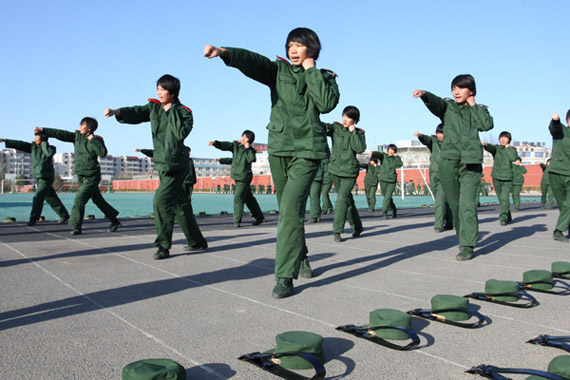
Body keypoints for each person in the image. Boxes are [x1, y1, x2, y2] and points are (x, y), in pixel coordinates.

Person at [203, 27, 340, 298]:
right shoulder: (278, 71)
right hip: (279, 149)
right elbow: (254, 63)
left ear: (311, 48)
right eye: (290, 44)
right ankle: (300, 257)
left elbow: (325, 104)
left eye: (299, 45)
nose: (293, 49)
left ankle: (284, 276)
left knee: (289, 210)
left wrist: (312, 70)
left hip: (308, 152)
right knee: (288, 209)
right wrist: (224, 53)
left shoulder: (325, 78)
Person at [104, 74, 207, 259]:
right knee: (180, 205)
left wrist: (171, 110)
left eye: (163, 89)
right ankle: (197, 241)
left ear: (173, 92)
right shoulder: (154, 107)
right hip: (163, 164)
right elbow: (137, 112)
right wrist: (117, 112)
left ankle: (163, 246)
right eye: (158, 89)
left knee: (161, 201)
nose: (159, 92)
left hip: (177, 165)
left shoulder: (185, 113)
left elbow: (179, 133)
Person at [413, 74, 494, 260]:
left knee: (467, 204)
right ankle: (463, 233)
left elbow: (486, 125)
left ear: (471, 91)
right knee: (456, 204)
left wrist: (473, 105)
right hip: (448, 161)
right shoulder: (448, 107)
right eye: (453, 88)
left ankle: (467, 244)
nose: (456, 91)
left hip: (470, 163)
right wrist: (425, 95)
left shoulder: (479, 110)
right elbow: (436, 105)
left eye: (460, 88)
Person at [34, 118, 121, 235]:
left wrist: (92, 140)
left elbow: (102, 153)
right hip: (81, 175)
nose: (80, 127)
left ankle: (76, 226)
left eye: (82, 125)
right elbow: (61, 134)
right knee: (98, 200)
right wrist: (44, 130)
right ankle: (115, 221)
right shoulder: (77, 137)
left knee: (79, 199)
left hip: (92, 176)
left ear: (89, 128)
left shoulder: (97, 140)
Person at [0, 132, 69, 225]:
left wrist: (44, 143)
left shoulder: (51, 148)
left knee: (38, 196)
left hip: (46, 178)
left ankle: (33, 218)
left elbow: (48, 154)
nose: (35, 138)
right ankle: (64, 215)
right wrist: (6, 140)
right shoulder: (33, 148)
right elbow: (21, 144)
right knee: (51, 198)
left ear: (42, 138)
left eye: (37, 136)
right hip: (38, 177)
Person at [323, 106, 366, 242]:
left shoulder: (359, 133)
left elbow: (359, 148)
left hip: (349, 172)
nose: (344, 119)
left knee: (341, 200)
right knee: (347, 200)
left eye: (348, 117)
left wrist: (353, 132)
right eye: (343, 116)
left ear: (354, 120)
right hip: (335, 169)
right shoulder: (336, 128)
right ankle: (357, 227)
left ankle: (337, 230)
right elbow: (322, 127)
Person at [209, 130, 265, 227]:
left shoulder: (251, 150)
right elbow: (227, 147)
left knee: (238, 198)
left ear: (247, 139)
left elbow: (252, 159)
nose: (241, 138)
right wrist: (216, 144)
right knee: (249, 199)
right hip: (237, 176)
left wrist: (248, 148)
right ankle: (260, 217)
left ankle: (237, 221)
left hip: (244, 178)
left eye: (243, 137)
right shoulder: (236, 147)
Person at [414, 124, 453, 232]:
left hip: (445, 174)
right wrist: (420, 136)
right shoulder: (434, 141)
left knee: (440, 200)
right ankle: (450, 221)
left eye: (442, 133)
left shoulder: (451, 143)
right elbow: (427, 139)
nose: (440, 135)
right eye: (438, 133)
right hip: (433, 173)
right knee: (440, 200)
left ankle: (438, 225)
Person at [483, 131, 518, 225]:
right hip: (496, 176)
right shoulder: (497, 149)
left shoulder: (512, 150)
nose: (503, 139)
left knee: (504, 198)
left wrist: (508, 148)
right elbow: (491, 148)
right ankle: (508, 215)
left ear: (509, 139)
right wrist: (486, 145)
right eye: (501, 137)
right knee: (501, 198)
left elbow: (513, 158)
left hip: (507, 178)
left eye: (505, 138)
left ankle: (503, 217)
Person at [547, 111, 570, 242]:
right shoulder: (562, 131)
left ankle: (559, 230)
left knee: (569, 204)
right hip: (557, 172)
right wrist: (555, 121)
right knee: (563, 205)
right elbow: (554, 129)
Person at [370, 144, 403, 219]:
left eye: (393, 150)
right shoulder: (384, 156)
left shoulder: (395, 159)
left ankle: (384, 213)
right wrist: (373, 153)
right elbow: (379, 155)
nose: (391, 151)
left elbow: (400, 164)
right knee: (387, 197)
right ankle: (393, 210)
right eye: (390, 149)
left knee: (387, 197)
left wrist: (397, 156)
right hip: (383, 180)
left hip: (392, 180)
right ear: (388, 149)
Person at [307, 159, 326, 223]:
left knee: (314, 197)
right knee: (314, 197)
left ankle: (314, 216)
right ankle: (317, 215)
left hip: (315, 177)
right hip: (312, 176)